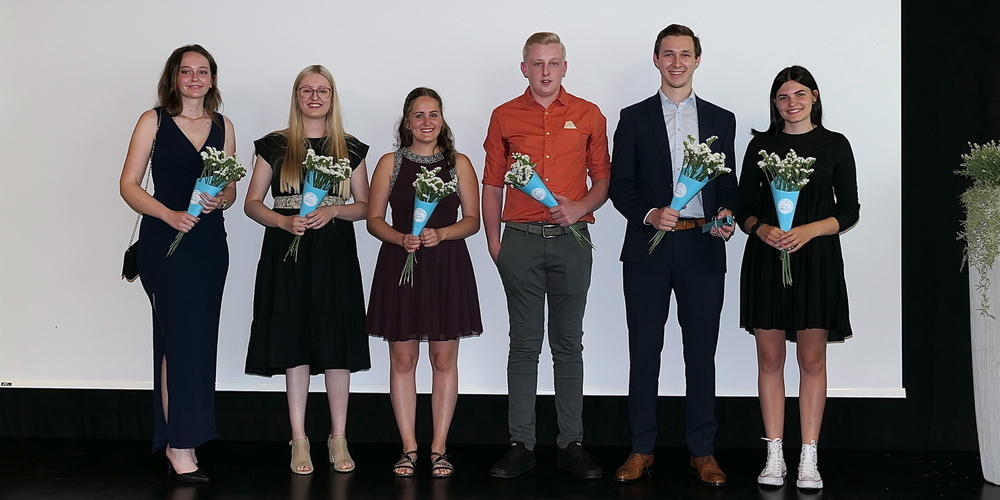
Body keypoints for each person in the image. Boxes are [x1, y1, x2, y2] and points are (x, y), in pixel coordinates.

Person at [608, 25, 738, 485]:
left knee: (701, 352)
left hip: (702, 245)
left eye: (685, 54)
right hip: (648, 248)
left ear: (697, 60)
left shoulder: (721, 119)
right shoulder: (632, 117)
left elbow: (729, 185)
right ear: (656, 60)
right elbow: (620, 185)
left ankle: (702, 451)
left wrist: (727, 213)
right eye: (668, 54)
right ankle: (641, 448)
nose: (677, 62)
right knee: (644, 351)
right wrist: (649, 213)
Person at [482, 32, 610, 480]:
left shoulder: (589, 114)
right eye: (537, 63)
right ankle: (521, 444)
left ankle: (571, 443)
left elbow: (603, 180)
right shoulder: (504, 116)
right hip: (519, 240)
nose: (545, 71)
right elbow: (493, 184)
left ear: (564, 67)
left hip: (572, 240)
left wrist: (581, 207)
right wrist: (494, 243)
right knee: (524, 344)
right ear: (524, 68)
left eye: (553, 63)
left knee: (568, 344)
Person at [735, 65, 859, 490]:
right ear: (775, 103)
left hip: (817, 260)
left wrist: (809, 230)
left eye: (800, 94)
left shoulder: (835, 144)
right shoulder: (761, 146)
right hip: (767, 261)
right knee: (770, 361)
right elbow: (743, 207)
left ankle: (808, 457)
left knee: (812, 361)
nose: (792, 103)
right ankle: (774, 455)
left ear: (815, 96)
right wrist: (761, 229)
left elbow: (850, 210)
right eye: (784, 96)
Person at [243, 65, 371, 475]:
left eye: (322, 90)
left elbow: (366, 206)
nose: (314, 97)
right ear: (296, 96)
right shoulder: (274, 145)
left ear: (332, 97)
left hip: (334, 253)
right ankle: (299, 439)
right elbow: (252, 203)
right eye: (306, 90)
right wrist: (283, 222)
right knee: (293, 341)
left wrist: (335, 210)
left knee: (336, 345)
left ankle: (338, 437)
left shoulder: (351, 148)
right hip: (287, 252)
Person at [119, 44, 237, 483]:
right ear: (174, 78)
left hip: (208, 245)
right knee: (181, 339)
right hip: (163, 242)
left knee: (195, 342)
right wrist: (168, 215)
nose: (194, 78)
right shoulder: (152, 121)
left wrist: (222, 198)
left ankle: (181, 437)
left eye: (202, 71)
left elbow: (230, 188)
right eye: (186, 71)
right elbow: (129, 185)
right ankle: (180, 445)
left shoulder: (224, 126)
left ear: (212, 79)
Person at [366, 87, 483, 478]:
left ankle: (439, 449)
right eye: (419, 115)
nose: (427, 122)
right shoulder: (390, 163)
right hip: (401, 264)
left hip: (446, 266)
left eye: (434, 114)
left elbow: (473, 221)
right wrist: (401, 238)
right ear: (407, 122)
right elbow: (374, 220)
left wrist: (443, 233)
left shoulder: (459, 163)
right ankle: (409, 448)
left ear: (442, 120)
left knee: (443, 360)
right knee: (403, 361)